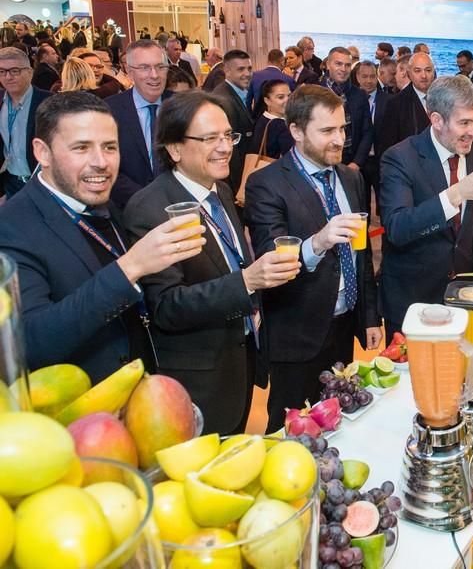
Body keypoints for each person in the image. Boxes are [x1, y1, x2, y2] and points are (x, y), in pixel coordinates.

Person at [123, 91, 300, 435]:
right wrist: (247, 282)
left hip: (238, 364)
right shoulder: (151, 209)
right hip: (196, 381)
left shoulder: (217, 191)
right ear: (174, 149)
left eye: (228, 136)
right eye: (209, 138)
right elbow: (167, 307)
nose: (224, 147)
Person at [0, 91, 205, 380]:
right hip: (80, 412)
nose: (101, 162)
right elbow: (31, 343)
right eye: (81, 148)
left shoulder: (107, 204)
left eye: (110, 147)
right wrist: (131, 266)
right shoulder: (12, 226)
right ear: (42, 152)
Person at [244, 86, 380, 432]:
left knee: (337, 422)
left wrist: (369, 317)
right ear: (296, 131)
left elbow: (360, 255)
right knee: (291, 429)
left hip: (343, 327)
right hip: (297, 333)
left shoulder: (351, 177)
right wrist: (317, 242)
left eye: (342, 129)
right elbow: (271, 259)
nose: (339, 140)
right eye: (327, 131)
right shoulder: (266, 184)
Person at [379, 75, 473, 337]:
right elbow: (398, 228)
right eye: (464, 122)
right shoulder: (400, 158)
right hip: (413, 303)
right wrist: (455, 194)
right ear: (436, 120)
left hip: (466, 298)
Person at [107, 40, 173, 207]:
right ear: (129, 72)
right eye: (144, 68)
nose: (154, 75)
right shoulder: (108, 111)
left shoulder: (181, 106)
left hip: (177, 206)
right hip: (128, 208)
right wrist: (146, 200)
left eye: (160, 67)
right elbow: (106, 166)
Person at [0, 47, 51, 198]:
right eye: (2, 72)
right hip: (10, 183)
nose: (8, 77)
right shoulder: (1, 101)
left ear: (29, 72)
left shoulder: (48, 102)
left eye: (14, 71)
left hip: (43, 184)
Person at [322, 47, 374, 175]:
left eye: (347, 65)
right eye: (338, 64)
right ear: (328, 64)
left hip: (351, 162)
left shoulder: (359, 95)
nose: (343, 69)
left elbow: (367, 131)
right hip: (322, 161)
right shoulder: (313, 92)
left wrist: (357, 163)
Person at [212, 49, 256, 193]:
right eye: (241, 69)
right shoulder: (223, 101)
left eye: (249, 68)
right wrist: (238, 187)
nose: (247, 74)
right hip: (234, 179)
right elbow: (228, 147)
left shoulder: (238, 93)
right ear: (227, 71)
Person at [376, 52, 433, 157]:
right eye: (417, 71)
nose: (424, 75)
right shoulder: (396, 104)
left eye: (428, 70)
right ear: (409, 73)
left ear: (434, 72)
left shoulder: (443, 97)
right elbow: (387, 146)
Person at [355, 61, 387, 212]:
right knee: (360, 207)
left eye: (372, 76)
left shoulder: (389, 101)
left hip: (381, 161)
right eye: (364, 76)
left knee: (385, 205)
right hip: (357, 162)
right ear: (357, 77)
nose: (368, 81)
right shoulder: (351, 100)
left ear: (377, 76)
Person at [249, 80, 293, 159]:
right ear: (267, 101)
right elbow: (292, 159)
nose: (287, 100)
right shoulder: (281, 126)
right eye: (280, 97)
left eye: (289, 95)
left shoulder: (262, 118)